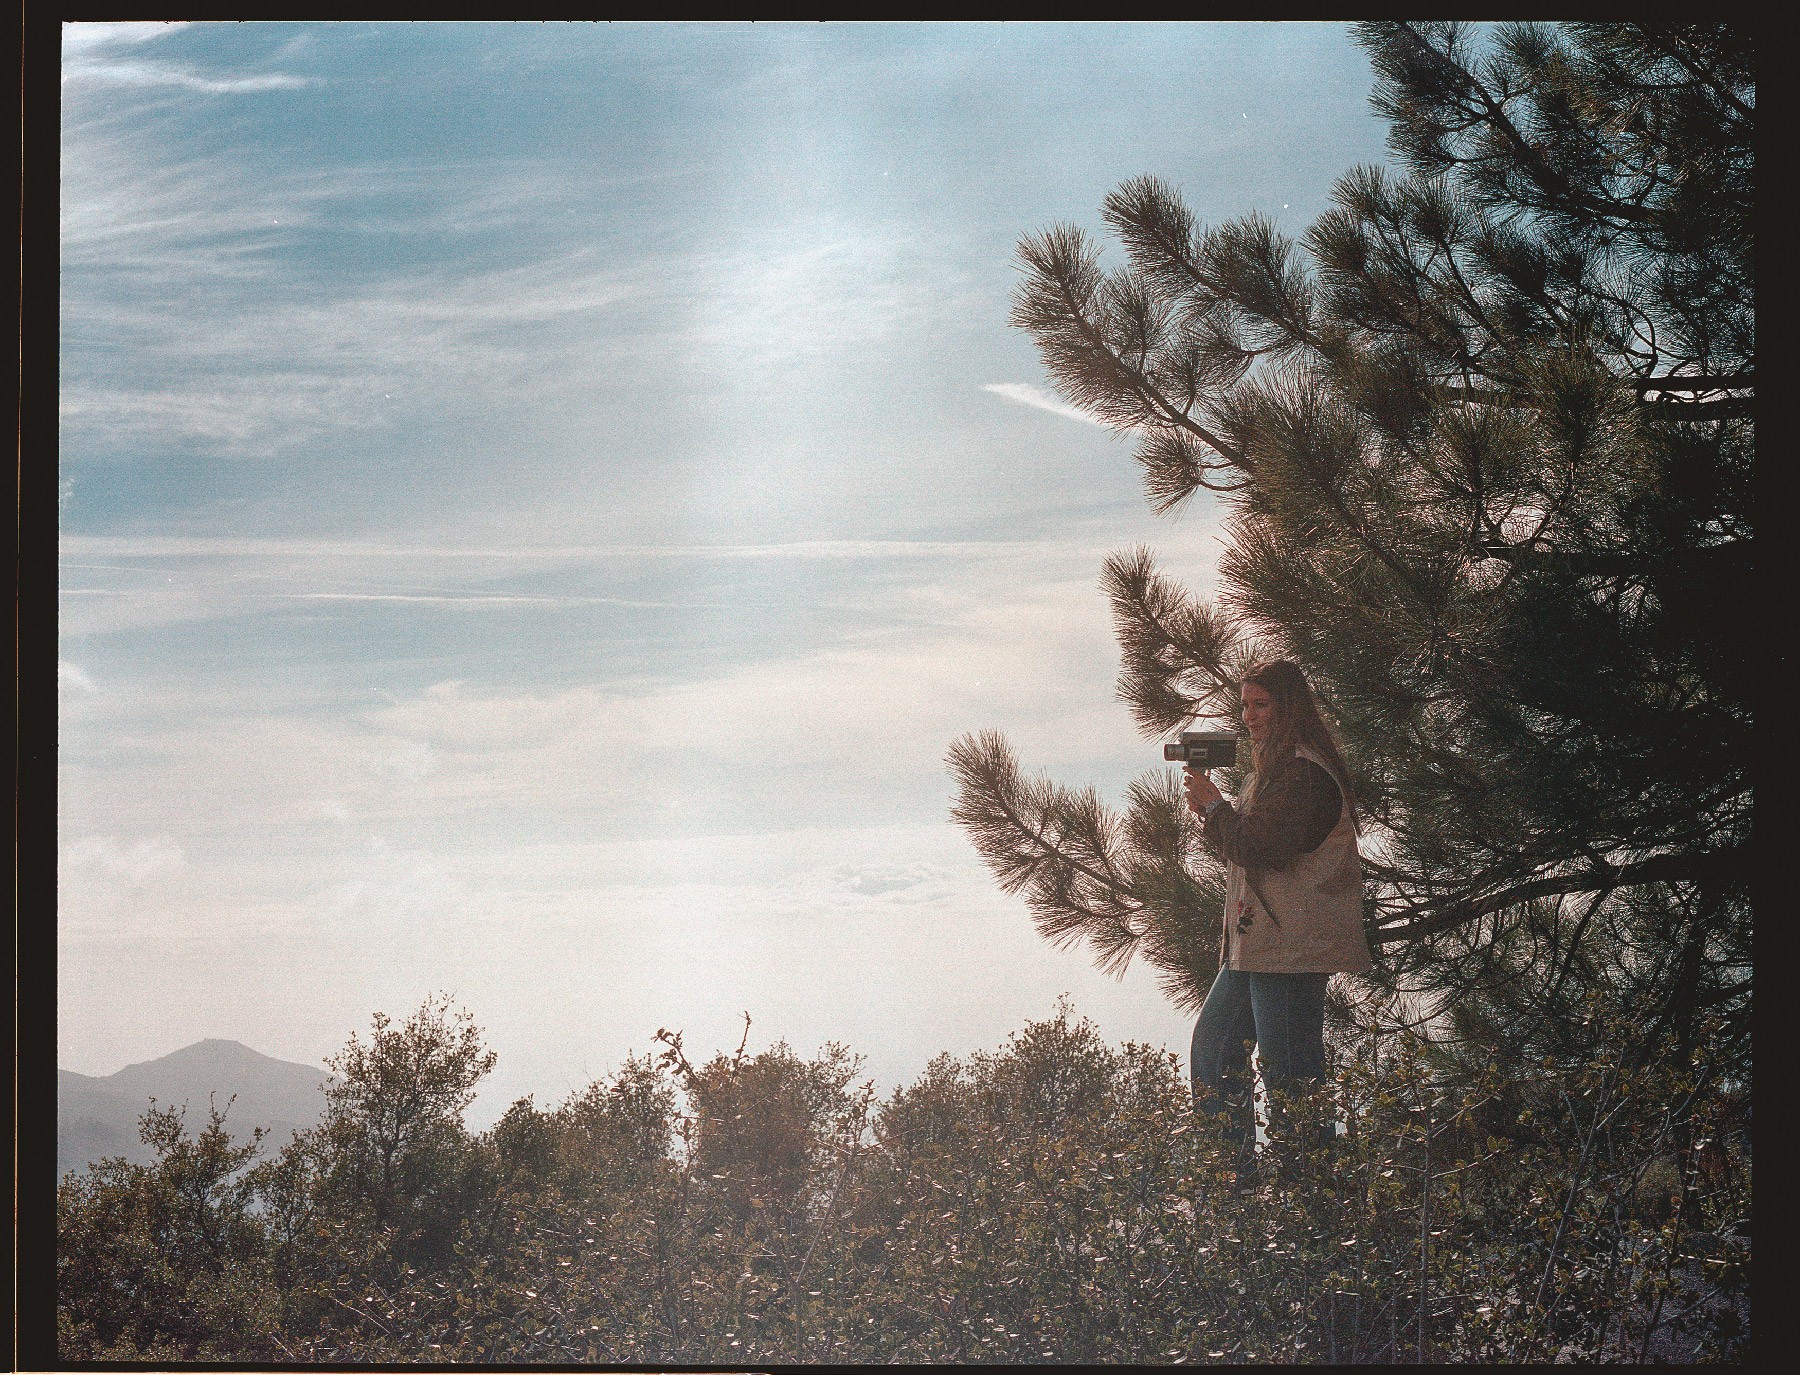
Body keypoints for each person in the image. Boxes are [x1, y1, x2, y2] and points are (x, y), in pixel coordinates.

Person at [1182, 659, 1371, 1169]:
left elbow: (1259, 848)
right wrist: (1215, 814)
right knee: (1215, 1052)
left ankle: (1310, 1191)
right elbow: (1247, 845)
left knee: (1290, 1077)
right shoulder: (1276, 772)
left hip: (1289, 947)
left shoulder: (1303, 775)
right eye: (1244, 704)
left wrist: (1217, 809)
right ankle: (1232, 1182)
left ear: (1289, 708)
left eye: (1261, 704)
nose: (1249, 716)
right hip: (1260, 945)